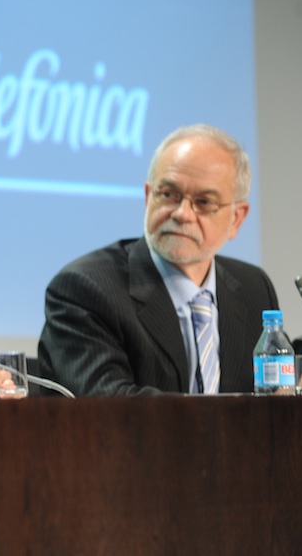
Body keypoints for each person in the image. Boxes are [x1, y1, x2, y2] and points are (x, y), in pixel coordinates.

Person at [38, 124, 279, 396]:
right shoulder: (86, 288)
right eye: (168, 195)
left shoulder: (253, 288)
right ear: (148, 197)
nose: (182, 214)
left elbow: (273, 389)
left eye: (204, 202)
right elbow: (108, 405)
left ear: (236, 218)